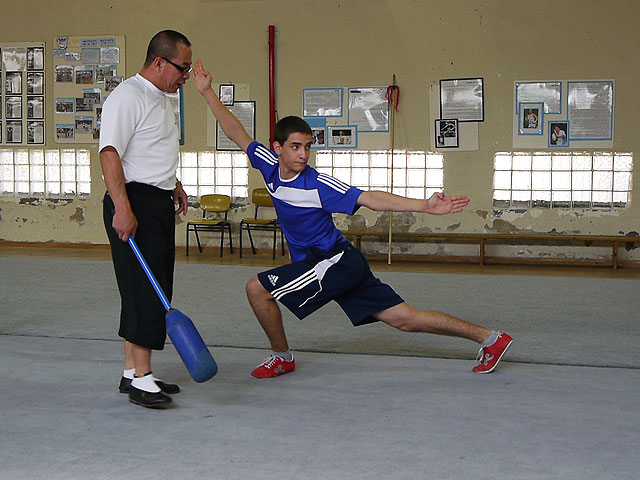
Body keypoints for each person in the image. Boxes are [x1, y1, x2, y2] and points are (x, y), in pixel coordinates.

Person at [192, 60, 513, 379]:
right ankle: (490, 338)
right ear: (277, 148)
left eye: (307, 147)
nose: (303, 154)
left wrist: (424, 206)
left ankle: (282, 357)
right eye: (295, 147)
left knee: (256, 289)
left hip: (333, 262)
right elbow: (236, 132)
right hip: (336, 264)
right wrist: (207, 93)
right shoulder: (267, 163)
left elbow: (370, 197)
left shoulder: (317, 184)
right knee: (405, 318)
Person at [99, 30, 192, 408]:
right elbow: (110, 154)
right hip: (133, 203)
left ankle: (129, 371)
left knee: (144, 286)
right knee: (146, 291)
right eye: (182, 68)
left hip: (154, 200)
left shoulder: (159, 98)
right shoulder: (129, 95)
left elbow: (148, 151)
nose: (185, 76)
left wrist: (173, 184)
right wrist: (123, 208)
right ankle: (142, 379)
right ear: (158, 62)